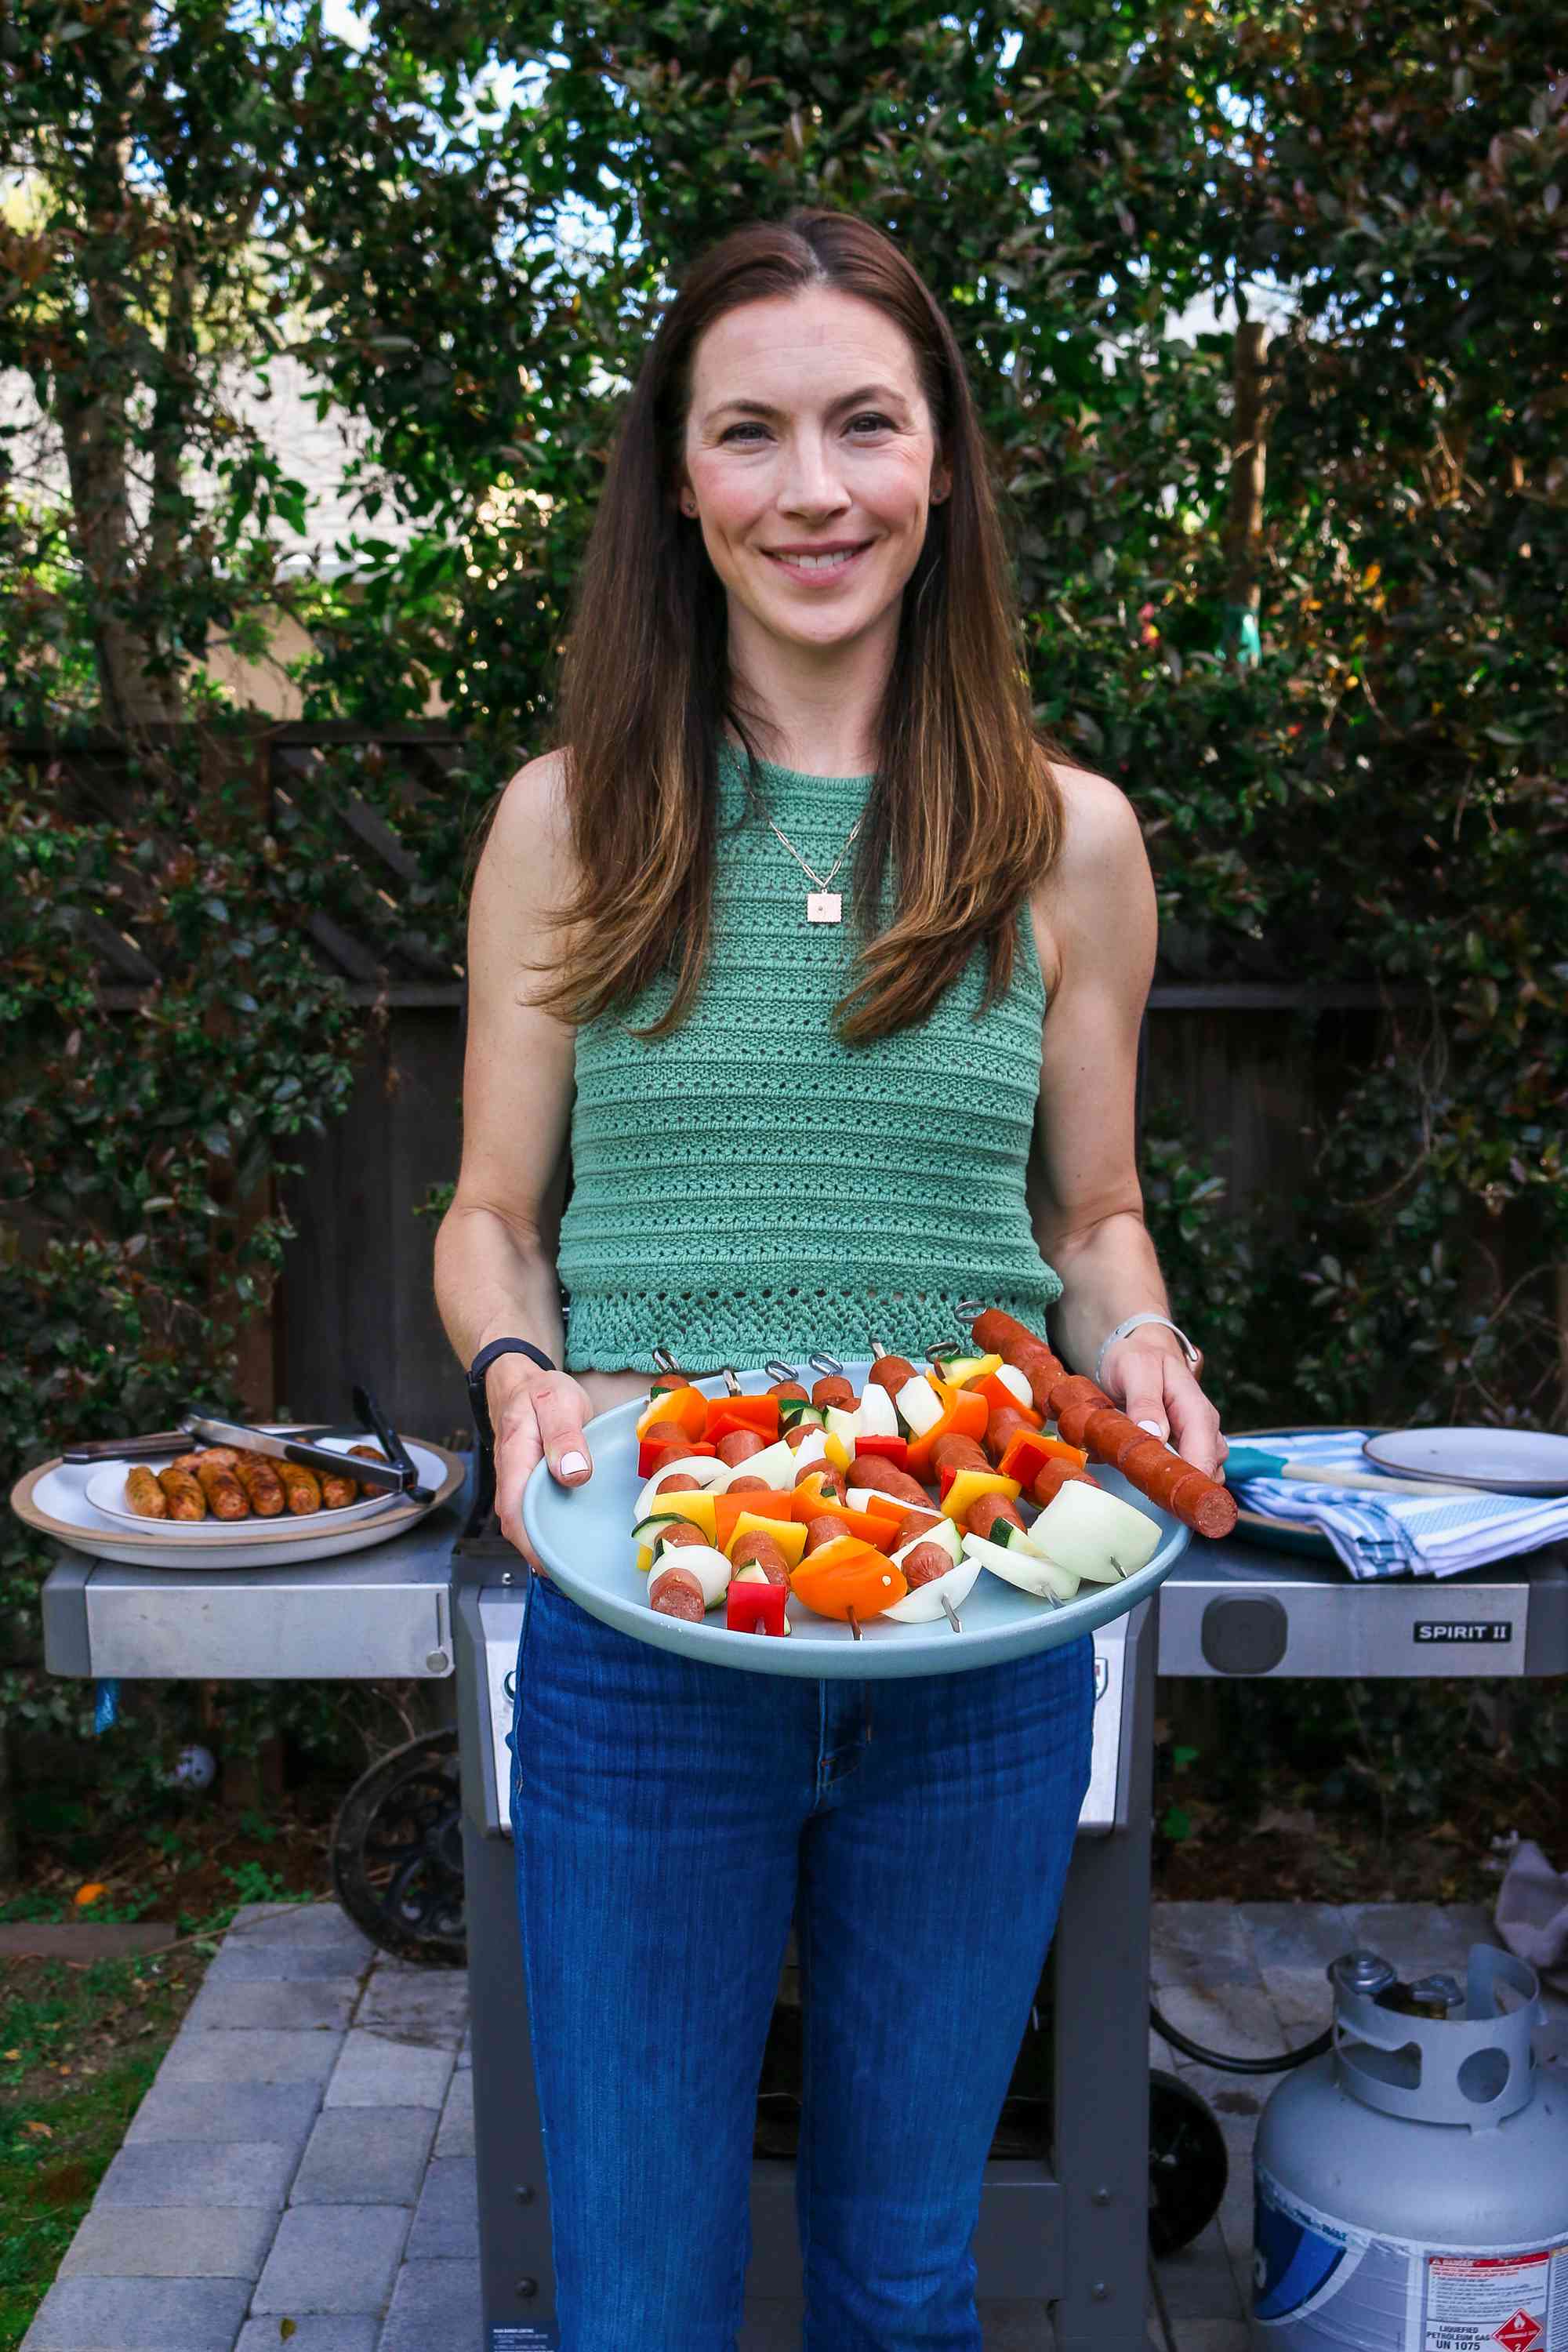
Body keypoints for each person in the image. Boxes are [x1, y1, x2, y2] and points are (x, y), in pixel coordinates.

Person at [434, 206, 1227, 2352]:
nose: (814, 490)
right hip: (641, 1635)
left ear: (941, 462)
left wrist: (1136, 1336)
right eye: (751, 434)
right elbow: (492, 1208)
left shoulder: (1068, 839)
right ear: (679, 485)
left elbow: (1091, 1219)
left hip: (978, 1647)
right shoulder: (570, 824)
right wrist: (516, 1365)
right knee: (636, 2302)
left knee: (902, 2279)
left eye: (865, 425)